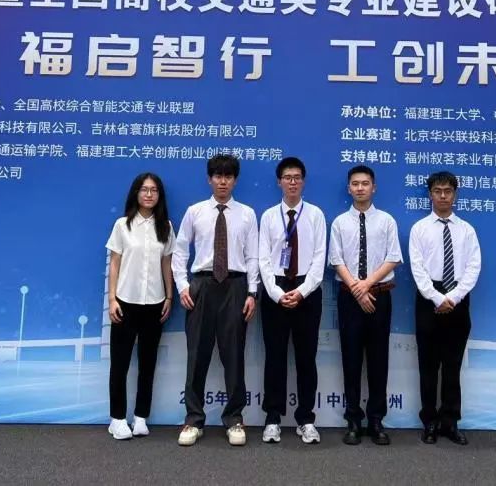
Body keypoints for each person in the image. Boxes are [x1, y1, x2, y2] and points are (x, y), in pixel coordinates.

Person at [172, 154, 259, 446]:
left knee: (233, 355)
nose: (223, 181)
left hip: (235, 286)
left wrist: (252, 292)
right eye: (218, 176)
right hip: (202, 286)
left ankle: (234, 419)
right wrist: (183, 286)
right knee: (197, 354)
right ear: (209, 179)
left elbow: (253, 256)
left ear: (235, 180)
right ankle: (193, 420)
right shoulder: (195, 212)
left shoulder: (247, 214)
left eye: (228, 176)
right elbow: (180, 251)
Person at [328, 165, 401, 445]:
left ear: (374, 187)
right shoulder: (339, 223)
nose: (360, 188)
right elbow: (336, 260)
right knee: (351, 359)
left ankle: (376, 420)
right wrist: (357, 290)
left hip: (379, 296)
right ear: (349, 188)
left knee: (378, 360)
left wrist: (367, 284)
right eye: (355, 184)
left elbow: (393, 257)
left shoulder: (386, 221)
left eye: (365, 183)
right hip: (349, 298)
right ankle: (353, 421)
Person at [408, 171, 481, 445]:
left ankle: (450, 422)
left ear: (455, 194)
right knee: (428, 367)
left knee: (452, 366)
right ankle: (429, 422)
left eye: (447, 191)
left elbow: (473, 267)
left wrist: (454, 297)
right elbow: (417, 268)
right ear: (430, 194)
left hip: (458, 300)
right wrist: (437, 298)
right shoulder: (419, 229)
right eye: (437, 191)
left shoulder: (466, 230)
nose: (442, 196)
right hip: (429, 300)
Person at [257, 157, 327, 445]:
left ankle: (306, 419)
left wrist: (302, 291)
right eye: (287, 177)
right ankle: (273, 418)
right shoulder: (268, 216)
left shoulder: (316, 215)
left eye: (297, 177)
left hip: (306, 290)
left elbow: (319, 259)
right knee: (274, 357)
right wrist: (276, 293)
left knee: (306, 358)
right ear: (279, 182)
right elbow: (262, 259)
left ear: (304, 181)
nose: (293, 182)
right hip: (275, 289)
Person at [106, 172, 176, 440]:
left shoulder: (165, 226)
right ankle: (117, 419)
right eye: (144, 189)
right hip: (125, 302)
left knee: (148, 364)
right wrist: (112, 299)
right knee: (120, 364)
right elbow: (115, 263)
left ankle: (141, 417)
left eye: (154, 190)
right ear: (136, 193)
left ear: (159, 195)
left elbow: (167, 263)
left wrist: (169, 297)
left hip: (155, 304)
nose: (149, 194)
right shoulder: (122, 225)